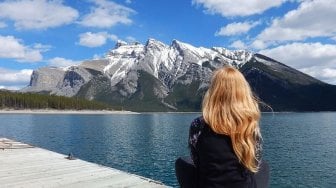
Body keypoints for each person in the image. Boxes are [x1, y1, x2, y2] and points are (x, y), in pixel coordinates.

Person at [175, 66, 269, 188]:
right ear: (243, 92)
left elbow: (196, 160)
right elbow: (255, 161)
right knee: (263, 166)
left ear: (213, 91)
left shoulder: (198, 125)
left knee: (181, 162)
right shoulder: (250, 125)